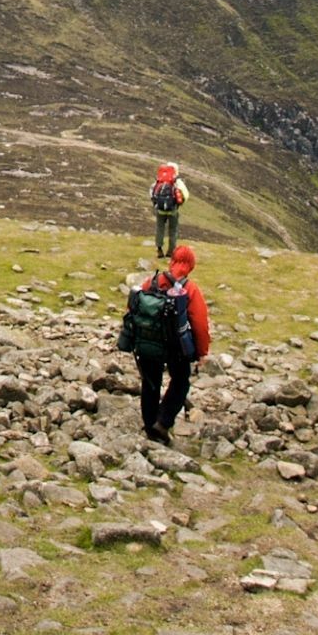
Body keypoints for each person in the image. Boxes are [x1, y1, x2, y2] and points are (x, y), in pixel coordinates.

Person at [118, 245, 210, 444]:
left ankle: (150, 426)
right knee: (181, 382)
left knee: (151, 383)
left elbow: (132, 309)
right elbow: (200, 324)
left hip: (147, 344)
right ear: (191, 266)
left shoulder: (151, 283)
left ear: (172, 261)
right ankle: (163, 422)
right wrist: (202, 352)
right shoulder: (190, 289)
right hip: (176, 349)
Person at [149, 163, 189, 258]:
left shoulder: (159, 180)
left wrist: (156, 203)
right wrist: (180, 203)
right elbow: (186, 194)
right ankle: (171, 251)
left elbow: (151, 192)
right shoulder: (176, 181)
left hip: (160, 210)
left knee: (160, 228)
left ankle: (159, 249)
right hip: (173, 210)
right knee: (173, 230)